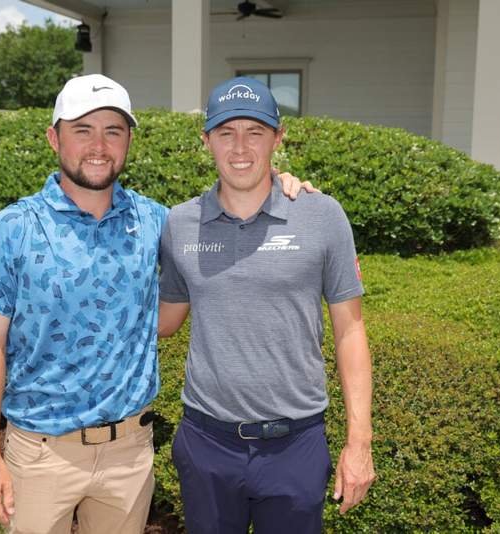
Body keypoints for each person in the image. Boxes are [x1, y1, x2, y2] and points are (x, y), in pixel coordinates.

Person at [0, 73, 311, 534]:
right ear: (54, 138)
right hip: (40, 454)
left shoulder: (156, 222)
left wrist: (279, 184)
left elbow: (219, 239)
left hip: (129, 454)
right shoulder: (13, 228)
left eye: (113, 131)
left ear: (129, 140)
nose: (99, 145)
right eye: (82, 130)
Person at [158, 77, 376, 534]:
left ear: (278, 138)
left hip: (294, 445)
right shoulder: (180, 223)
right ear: (206, 141)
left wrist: (360, 442)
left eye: (254, 132)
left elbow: (350, 331)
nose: (240, 147)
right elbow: (166, 320)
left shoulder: (321, 215)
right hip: (206, 443)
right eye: (225, 133)